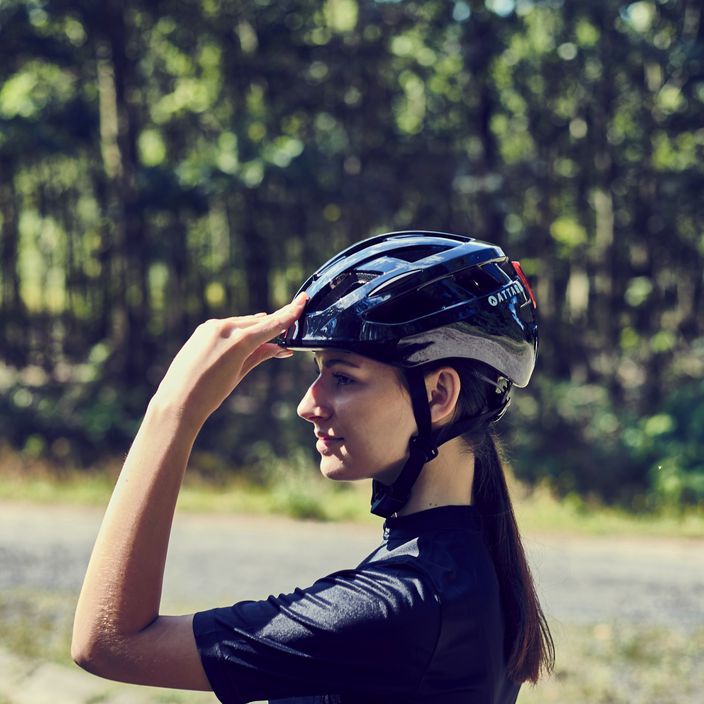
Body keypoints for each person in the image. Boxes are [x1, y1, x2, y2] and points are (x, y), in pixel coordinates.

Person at [72, 230, 554, 703]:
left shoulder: (401, 604)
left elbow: (111, 642)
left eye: (343, 376)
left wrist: (172, 413)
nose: (309, 404)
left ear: (438, 394)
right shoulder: (468, 565)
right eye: (319, 372)